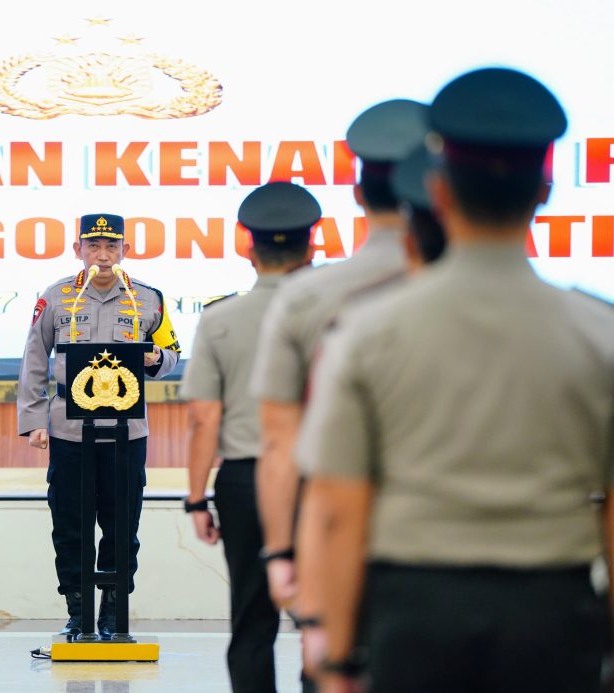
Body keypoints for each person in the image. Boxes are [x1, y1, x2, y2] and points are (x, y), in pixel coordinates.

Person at [300, 67, 614, 693]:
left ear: (438, 192)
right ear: (545, 192)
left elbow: (337, 508)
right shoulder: (599, 333)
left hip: (416, 613)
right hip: (553, 614)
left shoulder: (366, 332)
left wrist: (336, 658)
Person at [250, 99, 427, 689]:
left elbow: (283, 444)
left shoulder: (308, 298)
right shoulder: (563, 315)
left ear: (357, 193)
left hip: (341, 548)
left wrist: (282, 552)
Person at [181, 182, 320, 693]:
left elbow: (203, 417)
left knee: (251, 618)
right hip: (324, 478)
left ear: (246, 245)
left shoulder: (220, 319)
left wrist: (196, 499)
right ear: (313, 245)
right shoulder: (338, 312)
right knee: (323, 620)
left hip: (245, 481)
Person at [16, 214, 181, 638]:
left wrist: (155, 360)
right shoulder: (56, 298)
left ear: (125, 250)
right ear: (78, 251)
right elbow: (35, 359)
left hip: (127, 432)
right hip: (69, 431)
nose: (103, 256)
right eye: (94, 246)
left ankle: (112, 612)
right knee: (70, 525)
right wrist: (34, 421)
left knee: (122, 525)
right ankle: (77, 611)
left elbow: (172, 352)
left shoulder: (147, 299)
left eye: (111, 246)